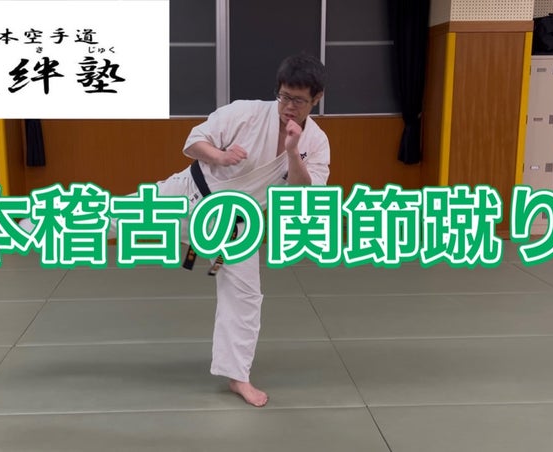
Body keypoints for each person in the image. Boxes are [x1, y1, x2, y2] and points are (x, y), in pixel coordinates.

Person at [21, 53, 330, 407]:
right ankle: (42, 224)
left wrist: (292, 151)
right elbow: (194, 141)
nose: (289, 106)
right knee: (121, 215)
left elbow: (305, 192)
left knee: (245, 296)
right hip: (189, 195)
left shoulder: (315, 143)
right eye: (284, 96)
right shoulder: (245, 113)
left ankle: (238, 376)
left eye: (298, 100)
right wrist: (219, 156)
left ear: (316, 99)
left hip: (234, 225)